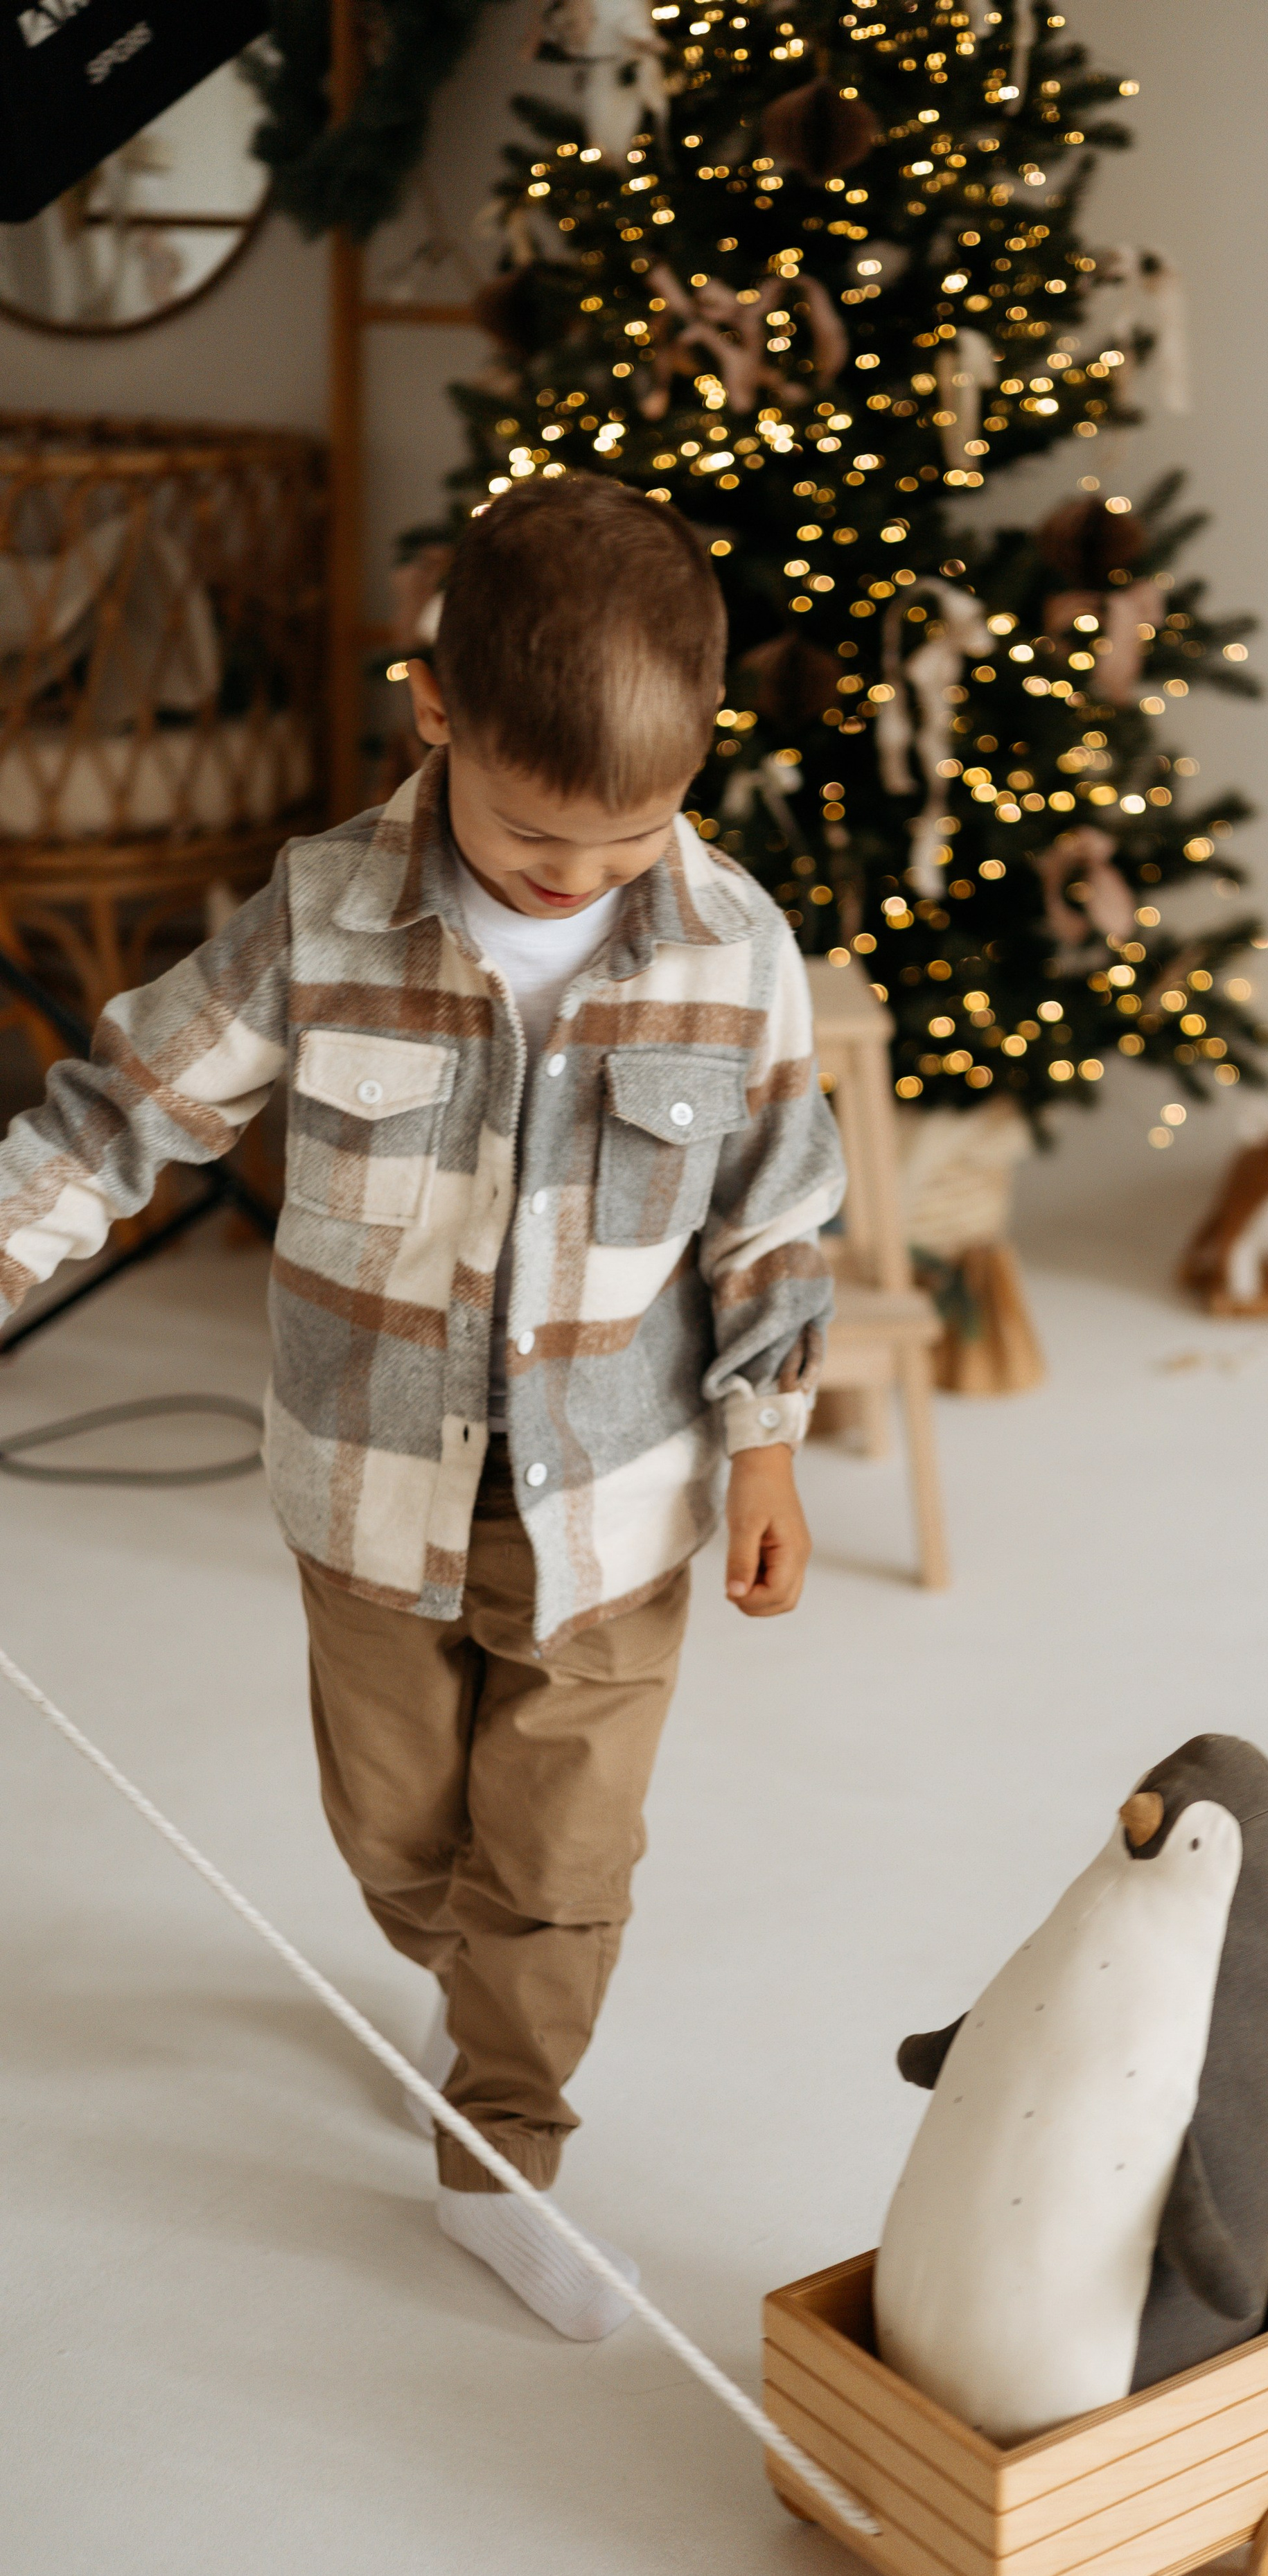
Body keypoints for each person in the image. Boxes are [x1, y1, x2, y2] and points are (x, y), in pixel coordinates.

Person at [0, 478, 845, 2339]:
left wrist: (769, 1434)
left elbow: (778, 1205)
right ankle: (471, 2002)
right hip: (373, 1502)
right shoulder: (328, 917)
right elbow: (124, 1109)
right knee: (403, 1844)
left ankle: (506, 2134)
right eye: (540, 831)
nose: (578, 875)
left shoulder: (732, 950)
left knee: (559, 1858)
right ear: (436, 715)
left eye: (629, 838)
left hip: (616, 1508)